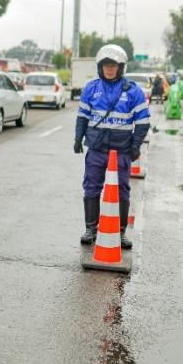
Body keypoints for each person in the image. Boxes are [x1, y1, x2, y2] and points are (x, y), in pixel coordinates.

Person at [74, 45, 151, 249]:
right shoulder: (91, 89)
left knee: (122, 190)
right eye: (106, 65)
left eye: (113, 65)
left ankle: (120, 232)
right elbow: (82, 117)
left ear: (121, 67)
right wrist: (78, 139)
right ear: (100, 67)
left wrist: (135, 146)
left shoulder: (133, 91)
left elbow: (143, 122)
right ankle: (91, 229)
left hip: (121, 151)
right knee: (91, 187)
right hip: (96, 149)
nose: (109, 69)